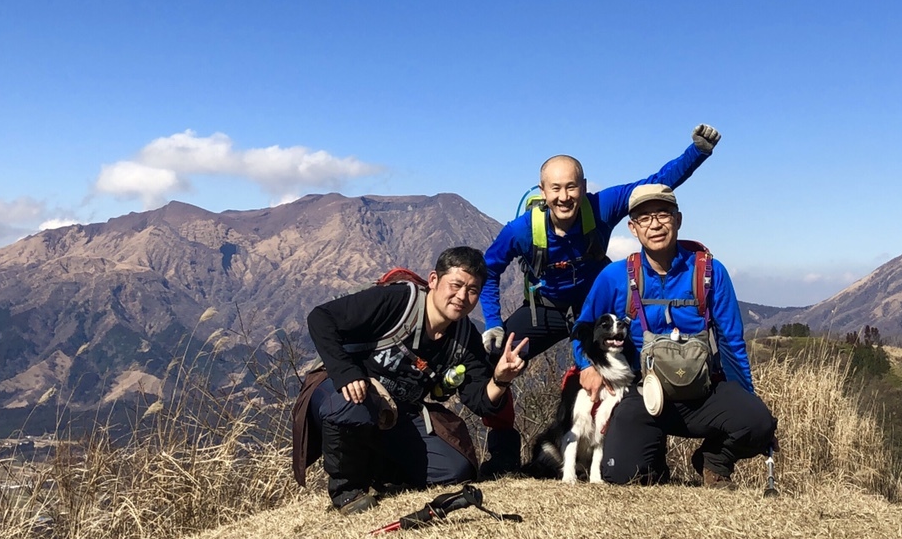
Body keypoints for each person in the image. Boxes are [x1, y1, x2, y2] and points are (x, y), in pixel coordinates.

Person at [475, 125, 722, 474]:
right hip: (545, 308)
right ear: (543, 191)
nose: (564, 196)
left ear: (584, 187)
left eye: (571, 186)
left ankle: (643, 454)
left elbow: (655, 184)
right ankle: (501, 453)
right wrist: (493, 323)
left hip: (596, 310)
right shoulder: (521, 230)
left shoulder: (601, 208)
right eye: (556, 188)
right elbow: (489, 270)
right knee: (498, 361)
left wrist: (696, 152)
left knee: (636, 361)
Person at [573, 184, 775, 488]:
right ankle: (652, 463)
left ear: (678, 219)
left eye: (663, 214)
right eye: (643, 218)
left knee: (759, 422)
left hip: (703, 392)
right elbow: (583, 329)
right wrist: (586, 366)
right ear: (632, 228)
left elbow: (732, 342)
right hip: (642, 393)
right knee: (623, 475)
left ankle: (714, 461)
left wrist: (747, 400)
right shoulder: (615, 277)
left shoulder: (710, 272)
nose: (654, 224)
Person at [301, 246, 528, 515]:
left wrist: (500, 380)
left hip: (397, 411)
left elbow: (479, 400)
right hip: (340, 387)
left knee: (455, 469)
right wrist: (346, 372)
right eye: (455, 285)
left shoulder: (466, 339)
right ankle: (347, 491)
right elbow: (321, 317)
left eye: (472, 290)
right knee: (352, 404)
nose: (462, 297)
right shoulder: (398, 302)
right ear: (434, 280)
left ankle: (380, 472)